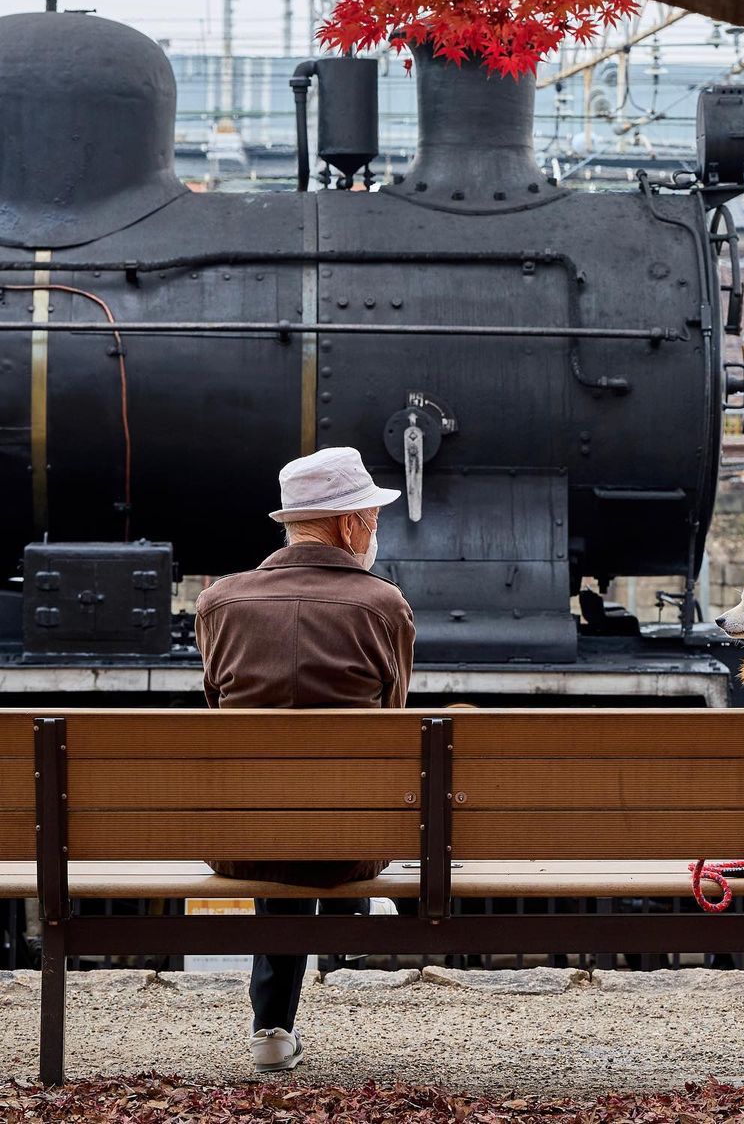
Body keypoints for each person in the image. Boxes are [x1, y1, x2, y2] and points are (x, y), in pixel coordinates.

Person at [195, 446, 414, 1073]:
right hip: (350, 844)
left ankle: (270, 1023)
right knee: (331, 813)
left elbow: (218, 714)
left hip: (242, 843)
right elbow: (394, 728)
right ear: (350, 525)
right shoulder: (384, 606)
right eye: (371, 515)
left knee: (269, 809)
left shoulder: (220, 604)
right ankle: (350, 901)